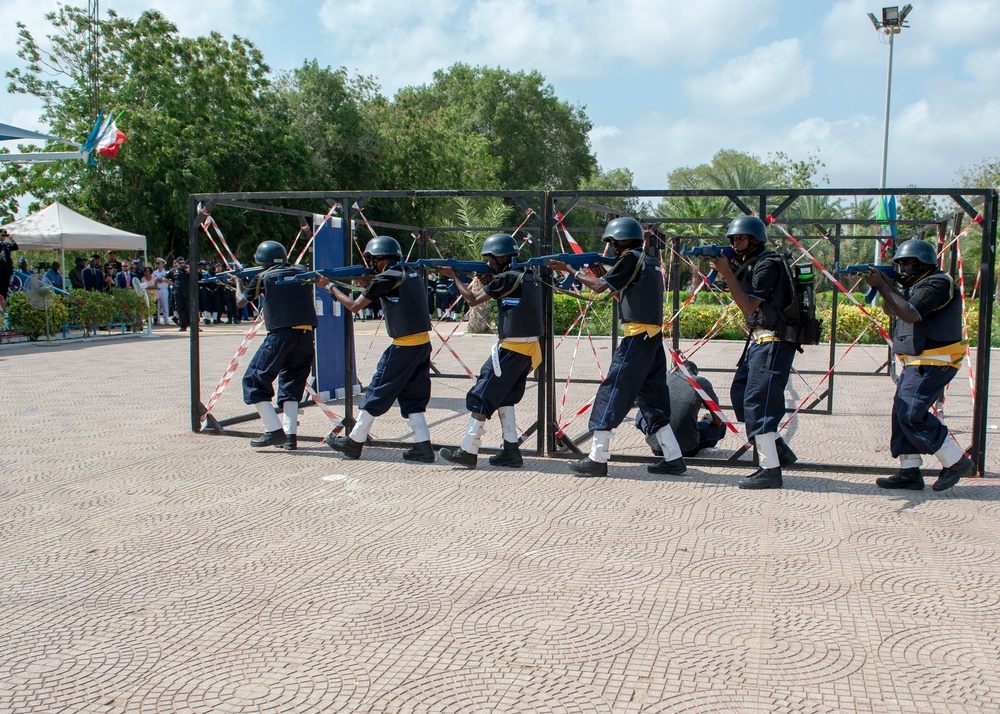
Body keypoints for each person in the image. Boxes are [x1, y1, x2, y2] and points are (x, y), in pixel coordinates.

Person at [550, 217, 685, 477]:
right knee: (652, 399)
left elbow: (600, 288)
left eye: (613, 241)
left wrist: (570, 270)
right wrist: (603, 275)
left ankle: (597, 458)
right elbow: (625, 296)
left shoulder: (630, 259)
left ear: (624, 239)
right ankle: (673, 457)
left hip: (637, 338)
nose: (610, 246)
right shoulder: (648, 261)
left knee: (611, 393)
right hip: (651, 339)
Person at [863, 239, 973, 491]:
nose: (902, 269)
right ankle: (909, 471)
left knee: (912, 413)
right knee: (901, 412)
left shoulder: (937, 282)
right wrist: (884, 287)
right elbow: (893, 311)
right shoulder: (916, 284)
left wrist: (882, 283)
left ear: (923, 264)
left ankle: (956, 461)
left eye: (907, 264)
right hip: (920, 360)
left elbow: (910, 313)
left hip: (937, 359)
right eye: (898, 264)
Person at [317, 235, 435, 463]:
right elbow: (396, 299)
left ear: (380, 258)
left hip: (404, 346)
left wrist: (329, 286)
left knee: (376, 391)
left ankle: (354, 442)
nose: (370, 264)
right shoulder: (409, 274)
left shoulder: (387, 277)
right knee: (413, 397)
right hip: (421, 344)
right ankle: (423, 446)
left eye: (372, 260)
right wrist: (371, 286)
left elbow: (353, 306)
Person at [436, 233, 543, 468]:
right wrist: (489, 278)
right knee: (505, 397)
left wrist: (454, 276)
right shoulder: (527, 276)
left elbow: (473, 300)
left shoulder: (505, 277)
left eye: (492, 258)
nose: (489, 262)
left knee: (481, 393)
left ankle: (468, 449)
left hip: (512, 349)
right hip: (529, 350)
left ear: (503, 256)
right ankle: (511, 452)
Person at [708, 215, 799, 490]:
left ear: (755, 240)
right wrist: (727, 270)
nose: (736, 243)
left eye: (741, 238)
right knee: (741, 393)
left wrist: (727, 272)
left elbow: (748, 307)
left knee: (760, 403)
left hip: (774, 340)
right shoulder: (752, 264)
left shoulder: (768, 264)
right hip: (760, 341)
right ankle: (778, 449)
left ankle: (770, 470)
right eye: (733, 239)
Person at [232, 240, 316, 451]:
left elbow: (241, 302)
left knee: (253, 379)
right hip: (306, 335)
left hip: (281, 334)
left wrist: (237, 282)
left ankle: (274, 430)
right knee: (292, 382)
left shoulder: (262, 277)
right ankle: (290, 437)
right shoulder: (301, 271)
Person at [640, 361, 726, 458]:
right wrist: (708, 418)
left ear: (676, 368)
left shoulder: (664, 378)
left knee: (642, 413)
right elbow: (718, 421)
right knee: (722, 425)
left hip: (656, 447)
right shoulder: (701, 383)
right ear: (695, 373)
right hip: (687, 449)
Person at [168, 257, 192, 331]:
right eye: (180, 263)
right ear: (176, 263)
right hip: (178, 293)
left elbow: (197, 277)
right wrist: (172, 284)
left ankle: (191, 325)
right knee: (180, 309)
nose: (181, 264)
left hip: (187, 293)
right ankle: (183, 326)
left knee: (189, 309)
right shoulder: (173, 271)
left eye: (183, 263)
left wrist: (190, 270)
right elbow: (164, 278)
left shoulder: (187, 270)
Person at [0, 228, 20, 300]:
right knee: (1, 286)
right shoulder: (1, 245)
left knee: (5, 287)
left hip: (7, 269)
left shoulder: (7, 245)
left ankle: (3, 302)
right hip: (0, 269)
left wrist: (10, 239)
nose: (2, 236)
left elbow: (16, 247)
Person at [152, 258, 171, 325]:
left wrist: (160, 279)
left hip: (164, 290)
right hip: (157, 289)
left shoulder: (166, 272)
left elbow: (165, 280)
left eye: (159, 263)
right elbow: (154, 280)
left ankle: (166, 320)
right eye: (157, 263)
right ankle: (157, 320)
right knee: (157, 306)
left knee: (165, 305)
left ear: (163, 264)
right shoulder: (154, 272)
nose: (158, 265)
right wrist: (161, 279)